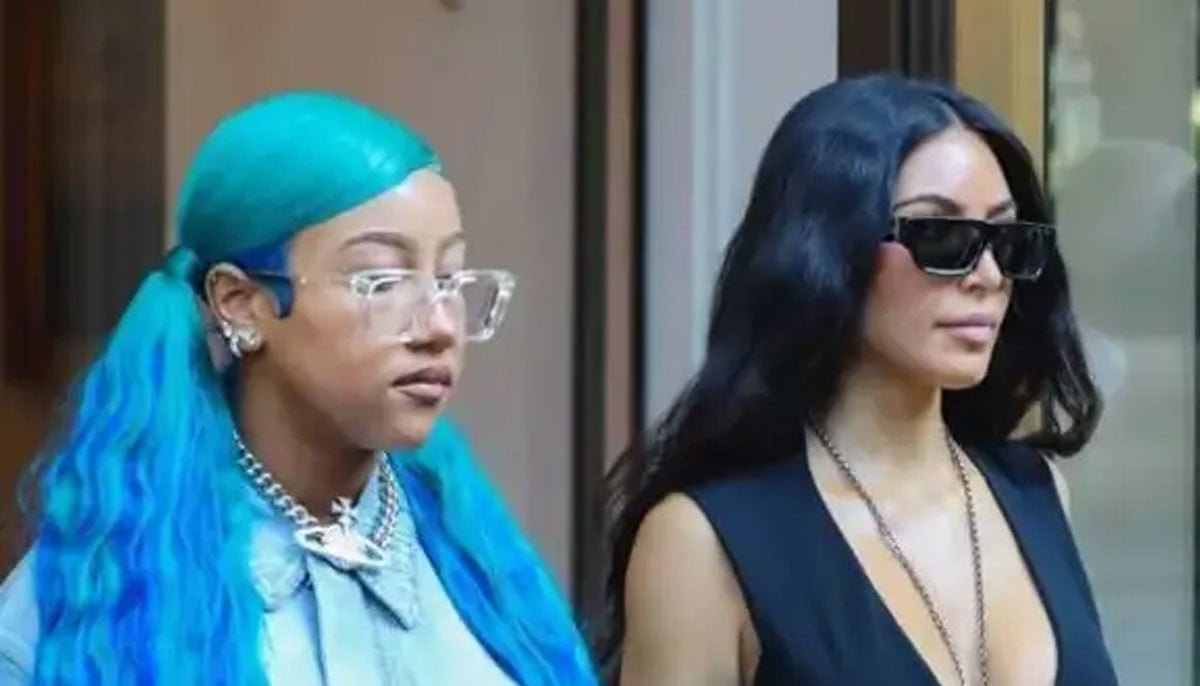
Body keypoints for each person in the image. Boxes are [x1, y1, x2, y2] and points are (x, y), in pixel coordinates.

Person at [0, 92, 596, 686]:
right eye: (381, 280)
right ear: (241, 303)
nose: (440, 326)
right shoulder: (88, 602)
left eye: (448, 278)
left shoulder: (477, 564)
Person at [603, 75, 1119, 686]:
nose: (986, 275)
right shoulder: (703, 541)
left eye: (1006, 240)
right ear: (827, 249)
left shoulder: (1037, 492)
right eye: (940, 234)